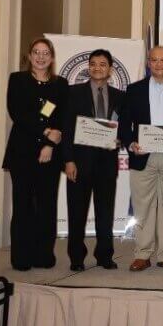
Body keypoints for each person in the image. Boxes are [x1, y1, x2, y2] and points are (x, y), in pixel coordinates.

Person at [118, 46, 163, 272]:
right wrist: (131, 145)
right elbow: (124, 125)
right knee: (143, 207)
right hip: (143, 157)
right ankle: (142, 254)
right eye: (154, 60)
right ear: (149, 63)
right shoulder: (134, 90)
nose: (159, 64)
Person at [2, 37, 69, 271]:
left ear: (51, 57)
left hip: (50, 153)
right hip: (22, 152)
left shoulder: (60, 84)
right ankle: (21, 256)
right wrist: (46, 131)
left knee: (47, 204)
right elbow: (17, 112)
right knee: (23, 205)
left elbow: (62, 116)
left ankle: (43, 255)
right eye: (36, 52)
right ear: (29, 56)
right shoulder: (17, 80)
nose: (41, 57)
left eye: (46, 53)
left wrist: (51, 143)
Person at [61, 49, 124, 271]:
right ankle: (76, 257)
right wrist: (68, 160)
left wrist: (119, 140)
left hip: (106, 163)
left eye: (103, 64)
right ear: (89, 67)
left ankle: (105, 255)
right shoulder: (73, 93)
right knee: (77, 212)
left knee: (105, 212)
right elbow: (67, 129)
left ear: (110, 69)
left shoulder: (119, 96)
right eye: (94, 64)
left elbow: (123, 128)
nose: (98, 68)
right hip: (79, 163)